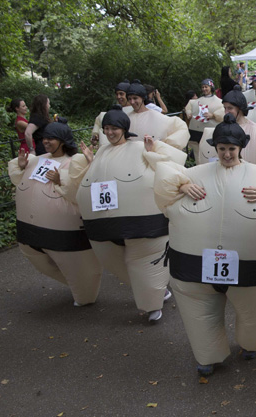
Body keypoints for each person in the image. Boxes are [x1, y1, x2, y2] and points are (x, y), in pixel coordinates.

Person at [153, 114, 256, 376]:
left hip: (253, 268)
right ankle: (207, 355)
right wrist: (181, 186)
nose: (227, 154)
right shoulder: (192, 176)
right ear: (214, 148)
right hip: (195, 266)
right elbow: (163, 187)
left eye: (231, 149)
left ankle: (251, 342)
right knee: (199, 312)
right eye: (221, 149)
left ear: (241, 148)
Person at [72, 105, 187, 322]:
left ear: (124, 128)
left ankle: (152, 304)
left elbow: (170, 165)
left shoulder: (139, 147)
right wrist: (90, 160)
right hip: (104, 224)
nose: (109, 133)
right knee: (115, 262)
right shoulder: (102, 151)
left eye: (114, 128)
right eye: (106, 128)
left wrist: (153, 151)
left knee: (144, 258)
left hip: (143, 222)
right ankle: (155, 291)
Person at [8, 119, 102, 306]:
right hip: (32, 231)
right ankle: (79, 286)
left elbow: (83, 192)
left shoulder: (74, 162)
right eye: (44, 138)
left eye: (51, 138)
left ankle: (85, 294)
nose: (46, 142)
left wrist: (61, 181)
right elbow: (19, 181)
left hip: (67, 232)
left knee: (78, 267)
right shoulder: (37, 160)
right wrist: (20, 166)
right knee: (38, 259)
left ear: (63, 140)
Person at [197, 86, 256, 173]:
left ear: (240, 109)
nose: (226, 112)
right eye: (224, 108)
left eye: (230, 108)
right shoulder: (218, 130)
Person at [126, 81, 190, 150]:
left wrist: (163, 145)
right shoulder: (126, 117)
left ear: (143, 98)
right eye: (129, 99)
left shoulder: (156, 116)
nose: (132, 102)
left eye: (135, 98)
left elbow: (180, 128)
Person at [91, 79, 133, 147]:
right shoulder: (104, 115)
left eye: (121, 94)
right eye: (117, 94)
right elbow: (95, 135)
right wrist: (95, 137)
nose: (118, 97)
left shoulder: (135, 114)